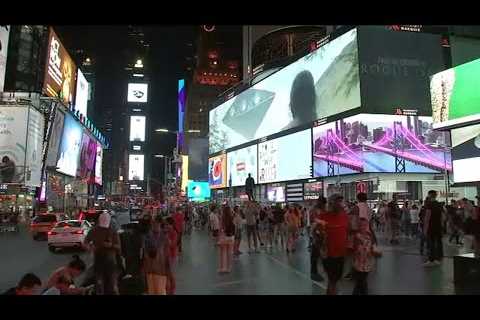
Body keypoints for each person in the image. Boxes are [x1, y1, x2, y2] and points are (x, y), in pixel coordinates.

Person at [84, 211, 122, 295]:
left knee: (112, 286)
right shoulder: (94, 231)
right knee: (99, 284)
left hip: (110, 262)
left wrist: (110, 245)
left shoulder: (112, 231)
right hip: (99, 260)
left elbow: (118, 246)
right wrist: (90, 248)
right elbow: (85, 242)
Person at [320, 194, 349, 295]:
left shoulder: (345, 216)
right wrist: (322, 248)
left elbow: (348, 231)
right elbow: (316, 234)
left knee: (336, 279)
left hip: (341, 253)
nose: (340, 204)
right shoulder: (323, 216)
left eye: (341, 201)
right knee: (332, 280)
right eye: (337, 201)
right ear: (331, 203)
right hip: (329, 254)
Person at [142, 218, 171, 295]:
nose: (155, 226)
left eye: (157, 225)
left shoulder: (164, 238)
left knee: (160, 291)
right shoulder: (147, 238)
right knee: (152, 291)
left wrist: (169, 275)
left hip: (160, 271)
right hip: (150, 271)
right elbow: (145, 255)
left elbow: (167, 257)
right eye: (153, 225)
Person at [352, 218, 378, 295]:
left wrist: (374, 252)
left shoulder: (369, 236)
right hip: (358, 263)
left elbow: (373, 247)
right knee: (360, 282)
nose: (363, 227)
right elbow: (355, 248)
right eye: (361, 225)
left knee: (361, 282)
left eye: (365, 225)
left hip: (367, 263)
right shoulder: (357, 236)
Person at [423, 190, 444, 267]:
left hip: (431, 227)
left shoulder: (429, 204)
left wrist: (425, 228)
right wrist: (441, 226)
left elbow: (427, 217)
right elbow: (442, 217)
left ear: (429, 195)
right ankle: (438, 259)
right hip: (438, 226)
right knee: (438, 242)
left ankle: (431, 260)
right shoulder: (439, 204)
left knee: (431, 243)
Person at [310, 196, 327, 281]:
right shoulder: (315, 210)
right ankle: (313, 273)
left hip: (322, 234)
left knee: (320, 254)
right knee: (315, 254)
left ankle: (316, 272)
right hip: (317, 234)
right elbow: (314, 220)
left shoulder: (323, 209)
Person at [218, 206, 235, 273]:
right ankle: (229, 268)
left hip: (224, 237)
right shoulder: (232, 217)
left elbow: (220, 228)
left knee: (223, 253)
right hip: (231, 237)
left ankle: (223, 268)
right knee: (229, 253)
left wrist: (219, 238)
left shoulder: (222, 218)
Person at [165, 217, 178, 295]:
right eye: (165, 224)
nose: (166, 226)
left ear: (172, 224)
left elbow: (173, 245)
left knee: (170, 275)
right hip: (167, 256)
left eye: (167, 224)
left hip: (171, 257)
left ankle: (171, 291)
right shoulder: (166, 232)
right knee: (168, 275)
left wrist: (167, 239)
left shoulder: (174, 233)